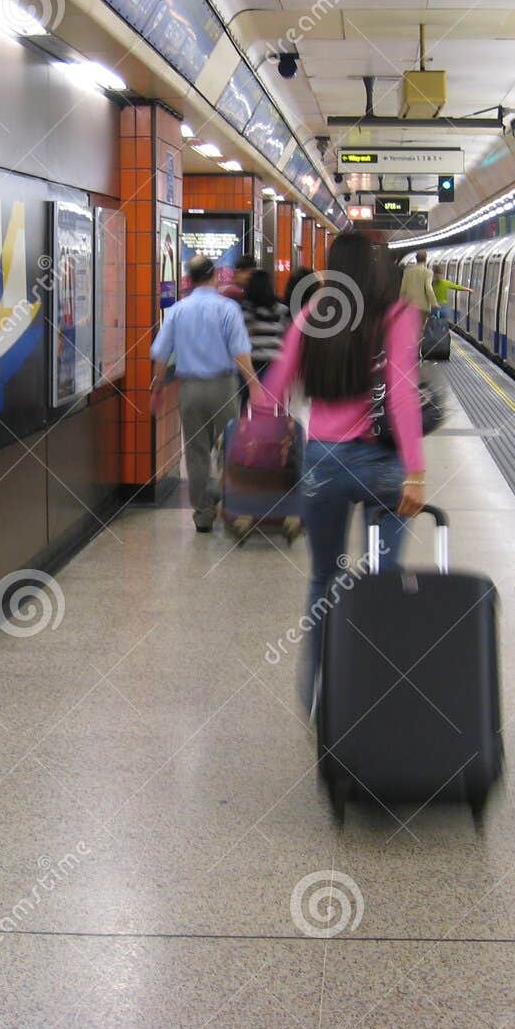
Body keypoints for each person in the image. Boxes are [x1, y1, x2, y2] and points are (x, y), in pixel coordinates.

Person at [262, 231, 426, 716]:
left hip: (324, 466)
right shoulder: (397, 317)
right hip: (381, 468)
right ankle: (375, 699)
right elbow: (400, 395)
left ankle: (317, 698)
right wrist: (414, 470)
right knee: (382, 581)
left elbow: (272, 393)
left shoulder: (313, 316)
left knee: (323, 582)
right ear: (378, 270)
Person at [151, 257, 262, 532]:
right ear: (214, 277)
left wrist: (157, 390)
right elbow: (240, 352)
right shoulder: (227, 309)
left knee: (196, 451)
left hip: (189, 389)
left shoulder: (177, 310)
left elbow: (161, 354)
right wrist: (255, 384)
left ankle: (203, 514)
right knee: (230, 447)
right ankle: (229, 503)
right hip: (223, 387)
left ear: (189, 279)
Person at [241, 266, 290, 381]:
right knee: (272, 398)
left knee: (248, 396)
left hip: (250, 364)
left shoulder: (245, 310)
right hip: (275, 364)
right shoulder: (281, 310)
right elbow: (286, 336)